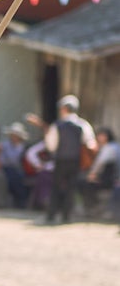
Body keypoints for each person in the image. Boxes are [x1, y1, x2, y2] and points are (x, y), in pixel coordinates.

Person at [44, 95, 97, 224]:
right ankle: (66, 215)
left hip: (61, 159)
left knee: (56, 186)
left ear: (64, 109)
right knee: (71, 187)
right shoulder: (83, 125)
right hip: (76, 160)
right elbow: (90, 143)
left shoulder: (57, 125)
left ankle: (52, 214)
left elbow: (51, 146)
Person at [79, 126, 118, 218]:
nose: (99, 137)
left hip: (109, 179)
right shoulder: (111, 146)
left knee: (83, 183)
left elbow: (99, 163)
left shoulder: (109, 148)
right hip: (109, 177)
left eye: (101, 135)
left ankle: (92, 208)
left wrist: (92, 174)